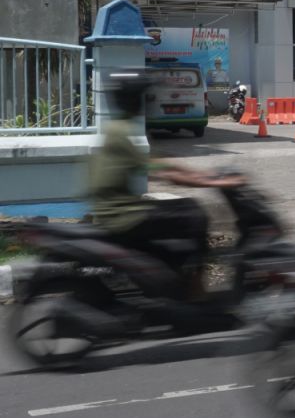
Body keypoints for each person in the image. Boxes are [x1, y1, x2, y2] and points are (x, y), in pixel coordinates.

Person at [88, 70, 243, 298]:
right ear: (135, 100)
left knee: (180, 211)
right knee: (194, 214)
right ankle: (195, 288)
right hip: (123, 215)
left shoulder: (118, 128)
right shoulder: (123, 133)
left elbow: (160, 163)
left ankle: (175, 272)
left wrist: (205, 175)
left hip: (117, 211)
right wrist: (210, 182)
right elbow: (165, 173)